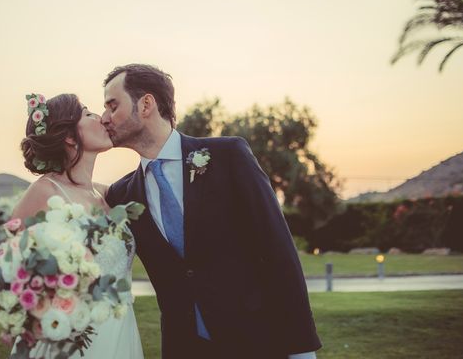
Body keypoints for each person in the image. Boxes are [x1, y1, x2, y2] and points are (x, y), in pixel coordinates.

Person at [102, 64, 321, 359]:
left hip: (258, 340)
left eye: (112, 106)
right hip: (185, 348)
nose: (104, 118)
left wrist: (301, 348)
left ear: (146, 104)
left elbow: (279, 250)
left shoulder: (228, 156)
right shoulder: (122, 195)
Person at [10, 92, 144, 359]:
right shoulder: (44, 192)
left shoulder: (107, 195)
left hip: (121, 328)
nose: (100, 117)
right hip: (70, 337)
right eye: (87, 113)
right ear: (70, 136)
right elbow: (11, 267)